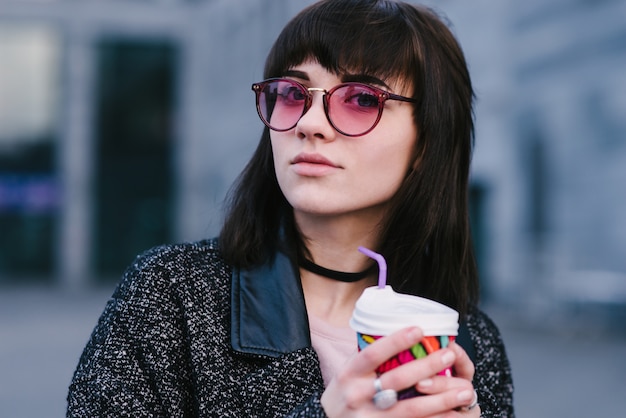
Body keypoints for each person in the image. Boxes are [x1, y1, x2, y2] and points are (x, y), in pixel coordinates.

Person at [67, 0, 514, 416]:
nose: (309, 123)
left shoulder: (471, 343)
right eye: (292, 93)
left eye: (361, 99)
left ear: (426, 143)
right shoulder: (171, 295)